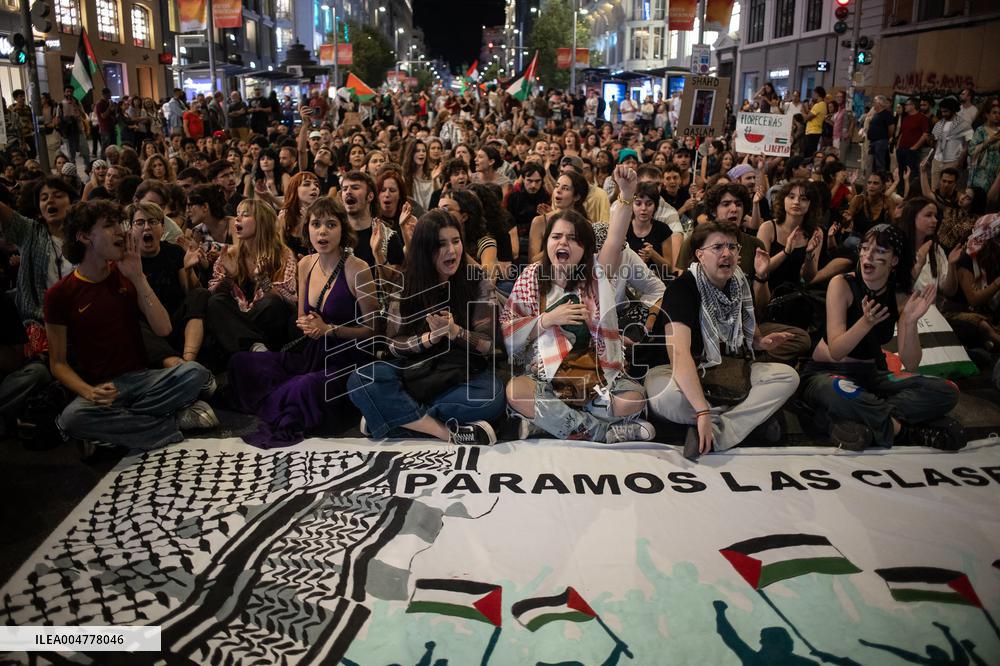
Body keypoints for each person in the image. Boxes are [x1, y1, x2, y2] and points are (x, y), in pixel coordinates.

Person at [44, 199, 217, 454]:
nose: (121, 232)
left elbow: (163, 329)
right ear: (83, 237)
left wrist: (138, 278)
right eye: (109, 226)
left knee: (195, 373)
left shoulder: (126, 272)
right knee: (71, 418)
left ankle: (114, 433)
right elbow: (57, 363)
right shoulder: (59, 294)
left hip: (144, 379)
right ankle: (170, 422)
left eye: (119, 224)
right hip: (103, 389)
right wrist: (89, 392)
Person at [503, 166, 656, 443]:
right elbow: (510, 332)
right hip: (544, 378)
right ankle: (603, 432)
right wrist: (547, 320)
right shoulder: (531, 277)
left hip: (596, 376)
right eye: (557, 236)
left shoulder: (596, 275)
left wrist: (626, 194)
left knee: (633, 400)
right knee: (516, 392)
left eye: (573, 239)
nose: (564, 242)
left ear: (585, 248)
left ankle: (552, 423)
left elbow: (615, 238)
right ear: (547, 243)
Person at [346, 209, 505, 445]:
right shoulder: (405, 280)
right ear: (424, 248)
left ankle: (389, 417)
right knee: (361, 379)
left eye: (456, 241)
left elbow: (487, 344)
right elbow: (394, 343)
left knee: (492, 398)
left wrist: (454, 332)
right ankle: (446, 433)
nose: (452, 251)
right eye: (441, 244)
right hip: (415, 372)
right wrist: (428, 338)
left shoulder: (476, 278)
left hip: (462, 373)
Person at [800, 223, 964, 450]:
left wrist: (910, 321)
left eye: (879, 251)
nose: (868, 256)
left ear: (894, 260)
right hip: (828, 372)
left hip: (872, 375)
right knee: (837, 393)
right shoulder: (842, 284)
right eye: (865, 248)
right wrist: (866, 322)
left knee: (947, 390)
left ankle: (862, 421)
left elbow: (911, 362)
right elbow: (837, 351)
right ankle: (904, 430)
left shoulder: (899, 295)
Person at [229, 197, 377, 447]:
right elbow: (301, 319)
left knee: (304, 387)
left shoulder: (357, 269)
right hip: (310, 353)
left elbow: (374, 331)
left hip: (345, 359)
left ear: (342, 229)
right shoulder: (305, 264)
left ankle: (287, 401)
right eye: (316, 224)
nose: (322, 231)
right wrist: (308, 326)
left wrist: (331, 329)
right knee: (242, 362)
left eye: (331, 225)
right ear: (307, 229)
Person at [645, 220, 800, 456]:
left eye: (732, 247)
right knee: (667, 399)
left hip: (720, 369)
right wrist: (702, 411)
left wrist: (760, 342)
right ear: (699, 255)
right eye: (717, 247)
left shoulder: (738, 283)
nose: (726, 253)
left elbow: (749, 332)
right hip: (670, 369)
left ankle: (716, 434)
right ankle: (744, 420)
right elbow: (679, 355)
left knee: (787, 377)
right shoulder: (682, 288)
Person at [206, 198, 297, 357]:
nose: (237, 219)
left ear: (262, 222)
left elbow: (287, 300)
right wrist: (229, 277)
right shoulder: (230, 254)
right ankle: (256, 348)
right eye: (237, 215)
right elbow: (213, 293)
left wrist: (263, 280)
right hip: (239, 319)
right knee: (216, 302)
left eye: (245, 215)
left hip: (265, 321)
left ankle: (250, 346)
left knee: (271, 303)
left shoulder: (282, 255)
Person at [128, 201, 209, 368]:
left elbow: (190, 294)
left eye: (153, 222)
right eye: (140, 222)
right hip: (148, 330)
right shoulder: (126, 261)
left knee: (201, 294)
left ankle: (188, 363)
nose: (147, 227)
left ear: (163, 229)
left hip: (177, 321)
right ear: (131, 229)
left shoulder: (173, 251)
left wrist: (188, 270)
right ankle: (175, 366)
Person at [757, 179, 824, 291]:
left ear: (810, 204)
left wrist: (809, 254)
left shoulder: (815, 232)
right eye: (791, 197)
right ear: (783, 200)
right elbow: (760, 270)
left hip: (794, 294)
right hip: (765, 289)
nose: (796, 202)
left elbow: (808, 277)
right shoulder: (768, 228)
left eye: (803, 199)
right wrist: (786, 252)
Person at [803, 86, 827, 157]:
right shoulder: (823, 105)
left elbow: (808, 117)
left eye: (814, 93)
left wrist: (802, 112)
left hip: (813, 131)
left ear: (817, 94)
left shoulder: (818, 105)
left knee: (809, 152)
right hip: (816, 131)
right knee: (811, 150)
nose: (813, 95)